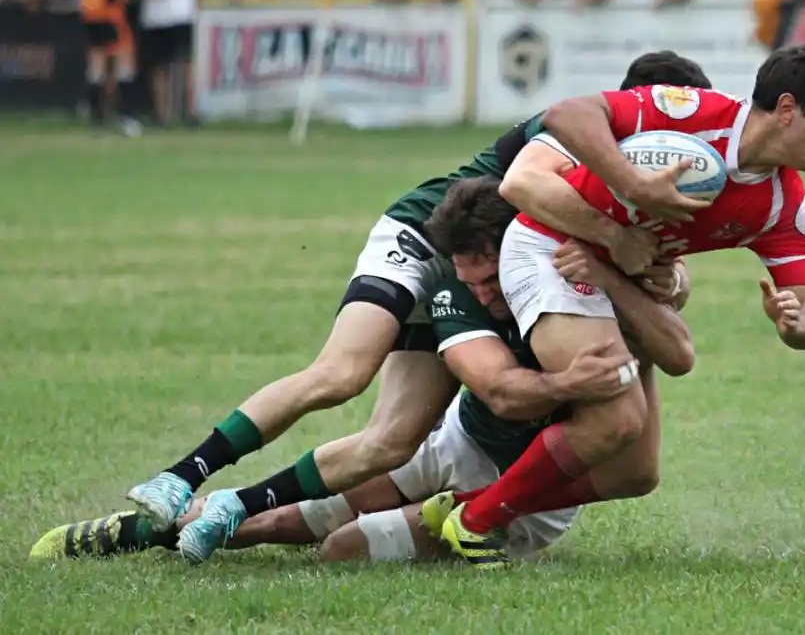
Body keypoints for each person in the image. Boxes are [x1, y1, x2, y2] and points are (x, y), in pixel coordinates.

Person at [125, 52, 713, 563]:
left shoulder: (632, 181)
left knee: (389, 441)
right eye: (680, 119)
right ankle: (180, 478)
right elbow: (522, 191)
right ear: (645, 111)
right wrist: (621, 248)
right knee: (342, 374)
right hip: (427, 236)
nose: (692, 141)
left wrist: (662, 273)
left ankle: (230, 506)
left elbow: (661, 285)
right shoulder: (590, 136)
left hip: (481, 269)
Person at [30, 178, 694, 564]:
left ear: (518, 255)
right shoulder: (459, 288)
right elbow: (497, 389)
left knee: (340, 549)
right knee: (286, 521)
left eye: (491, 280)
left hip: (534, 500)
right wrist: (570, 385)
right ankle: (139, 532)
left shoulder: (575, 289)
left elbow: (675, 350)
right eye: (471, 283)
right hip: (459, 443)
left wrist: (655, 288)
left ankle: (467, 519)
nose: (484, 296)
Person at [432, 43, 805, 568]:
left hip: (611, 273)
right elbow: (565, 114)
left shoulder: (784, 205)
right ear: (789, 109)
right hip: (550, 247)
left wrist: (793, 323)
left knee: (634, 470)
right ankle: (475, 522)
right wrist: (631, 186)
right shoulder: (694, 112)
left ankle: (470, 509)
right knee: (617, 414)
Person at [79, 0, 142, 136]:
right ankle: (125, 116)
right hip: (109, 13)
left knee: (97, 66)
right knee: (123, 65)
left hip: (91, 11)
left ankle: (97, 118)